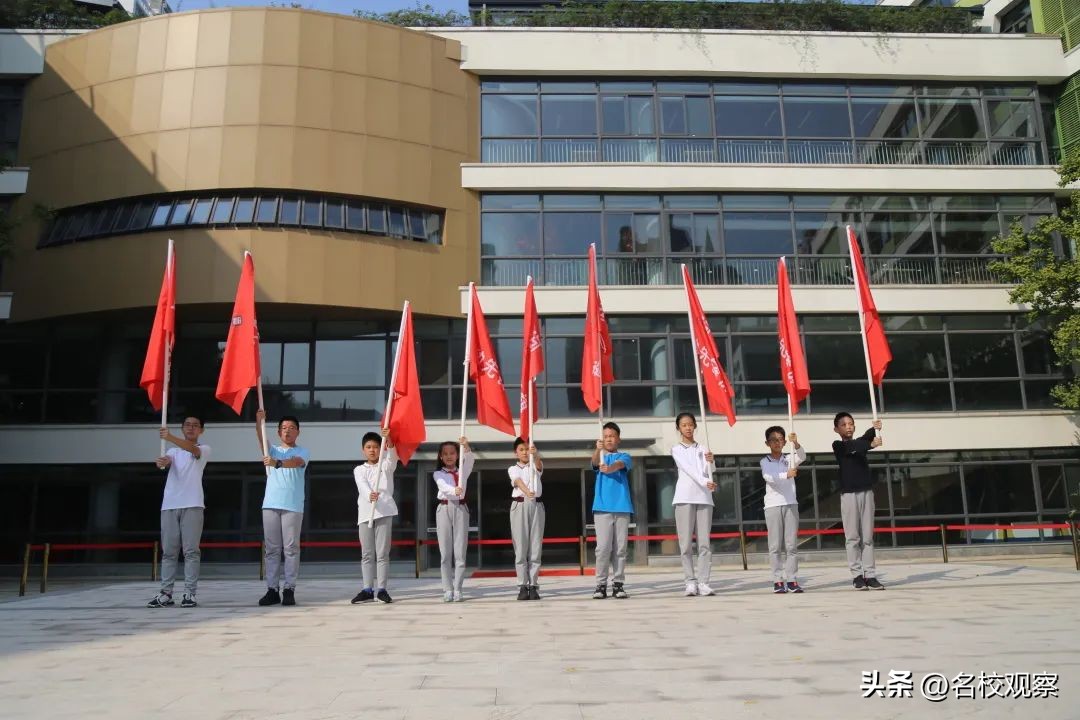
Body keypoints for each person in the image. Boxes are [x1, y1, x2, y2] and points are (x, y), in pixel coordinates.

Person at [147, 416, 210, 609]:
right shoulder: (173, 451)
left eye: (195, 425)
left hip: (192, 504)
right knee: (169, 552)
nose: (191, 428)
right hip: (169, 505)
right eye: (187, 425)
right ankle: (166, 594)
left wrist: (170, 436)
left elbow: (192, 449)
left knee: (191, 551)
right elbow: (166, 461)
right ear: (183, 428)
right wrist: (162, 461)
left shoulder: (204, 449)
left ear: (201, 430)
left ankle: (189, 593)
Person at [257, 411, 309, 607]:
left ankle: (289, 588)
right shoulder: (272, 450)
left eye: (292, 428)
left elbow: (296, 463)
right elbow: (261, 437)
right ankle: (272, 590)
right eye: (284, 428)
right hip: (270, 504)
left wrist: (277, 463)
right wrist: (258, 420)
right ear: (279, 432)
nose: (288, 431)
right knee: (271, 550)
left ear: (298, 432)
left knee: (291, 549)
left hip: (292, 506)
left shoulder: (302, 452)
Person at [833, 412, 884, 591]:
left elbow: (864, 439)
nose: (848, 427)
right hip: (849, 495)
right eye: (844, 424)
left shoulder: (860, 443)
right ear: (836, 429)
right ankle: (857, 575)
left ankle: (870, 575)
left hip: (866, 492)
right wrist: (870, 444)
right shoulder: (838, 445)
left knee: (867, 537)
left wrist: (875, 428)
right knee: (853, 537)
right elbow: (855, 446)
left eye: (851, 424)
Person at [671, 412, 716, 597]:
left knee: (704, 544)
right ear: (679, 428)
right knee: (686, 544)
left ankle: (704, 582)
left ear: (695, 426)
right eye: (684, 425)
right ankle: (690, 581)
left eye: (690, 424)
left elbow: (709, 472)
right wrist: (706, 482)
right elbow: (689, 470)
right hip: (684, 498)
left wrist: (712, 463)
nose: (688, 428)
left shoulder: (703, 448)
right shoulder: (676, 449)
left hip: (704, 498)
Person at [352, 428, 397, 604]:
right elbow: (361, 485)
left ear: (382, 448)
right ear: (363, 449)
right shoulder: (359, 470)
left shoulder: (385, 466)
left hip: (384, 512)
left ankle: (382, 589)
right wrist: (369, 494)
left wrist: (390, 439)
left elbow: (393, 456)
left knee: (383, 553)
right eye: (369, 447)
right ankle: (367, 589)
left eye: (376, 447)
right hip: (365, 514)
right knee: (367, 554)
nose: (372, 450)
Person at [760, 426, 806, 594]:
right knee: (775, 546)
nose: (777, 442)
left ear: (784, 442)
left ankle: (792, 579)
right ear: (767, 443)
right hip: (772, 505)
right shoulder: (765, 461)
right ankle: (778, 580)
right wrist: (787, 474)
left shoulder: (790, 458)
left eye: (780, 439)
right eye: (773, 440)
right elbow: (769, 477)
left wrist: (796, 443)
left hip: (791, 504)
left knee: (791, 545)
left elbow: (802, 455)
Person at [590, 421, 633, 600]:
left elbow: (620, 465)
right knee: (603, 549)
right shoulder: (599, 456)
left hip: (622, 507)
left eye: (612, 436)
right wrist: (597, 451)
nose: (609, 439)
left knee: (620, 549)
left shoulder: (625, 456)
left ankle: (618, 584)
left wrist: (610, 468)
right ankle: (600, 585)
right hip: (602, 507)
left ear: (618, 439)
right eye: (606, 436)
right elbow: (593, 463)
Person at [433, 436, 474, 602]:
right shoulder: (438, 473)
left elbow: (470, 460)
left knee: (460, 551)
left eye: (452, 453)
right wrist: (453, 490)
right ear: (441, 457)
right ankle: (447, 589)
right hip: (444, 508)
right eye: (445, 453)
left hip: (461, 508)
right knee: (445, 552)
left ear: (458, 455)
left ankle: (458, 588)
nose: (449, 456)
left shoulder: (463, 470)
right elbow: (442, 485)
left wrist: (467, 447)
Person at [508, 437, 544, 601]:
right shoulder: (512, 468)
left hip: (536, 506)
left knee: (535, 547)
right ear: (516, 452)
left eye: (526, 449)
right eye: (521, 449)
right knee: (521, 548)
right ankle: (522, 586)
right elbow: (517, 481)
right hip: (520, 505)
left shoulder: (535, 466)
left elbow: (539, 466)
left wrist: (535, 454)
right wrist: (527, 490)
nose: (524, 452)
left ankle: (534, 585)